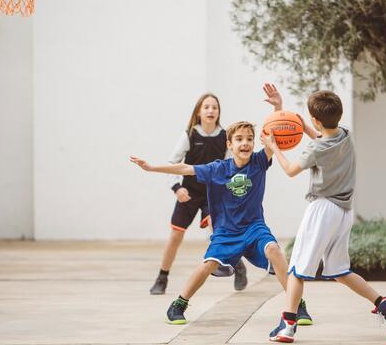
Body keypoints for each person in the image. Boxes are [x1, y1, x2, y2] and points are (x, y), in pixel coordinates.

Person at [130, 84, 312, 325]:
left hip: (254, 228)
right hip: (226, 232)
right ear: (229, 144)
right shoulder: (217, 169)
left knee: (275, 251)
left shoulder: (258, 162)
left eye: (249, 139)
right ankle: (178, 305)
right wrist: (152, 167)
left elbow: (276, 133)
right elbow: (185, 168)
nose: (245, 143)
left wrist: (278, 106)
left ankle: (296, 305)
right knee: (208, 265)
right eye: (239, 139)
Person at [266, 88, 386, 342]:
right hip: (344, 212)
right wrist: (292, 117)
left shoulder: (316, 150)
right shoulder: (345, 135)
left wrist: (274, 147)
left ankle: (288, 325)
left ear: (316, 120)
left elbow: (290, 170)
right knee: (340, 271)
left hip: (322, 209)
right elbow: (320, 135)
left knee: (296, 269)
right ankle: (385, 305)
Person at [149, 93, 248, 295]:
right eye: (207, 107)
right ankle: (162, 277)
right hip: (189, 193)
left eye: (215, 107)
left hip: (213, 193)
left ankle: (234, 265)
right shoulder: (189, 135)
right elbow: (173, 163)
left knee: (216, 229)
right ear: (199, 111)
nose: (211, 110)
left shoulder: (224, 136)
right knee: (176, 235)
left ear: (219, 112)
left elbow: (231, 166)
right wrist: (178, 188)